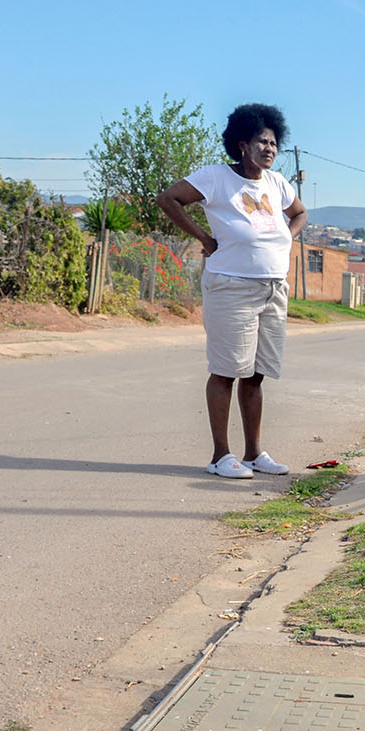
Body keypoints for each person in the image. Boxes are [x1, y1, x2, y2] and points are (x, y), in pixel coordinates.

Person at [158, 103, 307, 479]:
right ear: (242, 145)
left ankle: (253, 454)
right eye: (262, 142)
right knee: (226, 371)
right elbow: (168, 199)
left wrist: (285, 238)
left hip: (273, 289)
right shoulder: (216, 178)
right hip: (231, 287)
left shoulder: (277, 183)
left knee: (256, 374)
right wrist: (204, 239)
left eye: (273, 143)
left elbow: (300, 213)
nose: (270, 149)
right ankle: (220, 456)